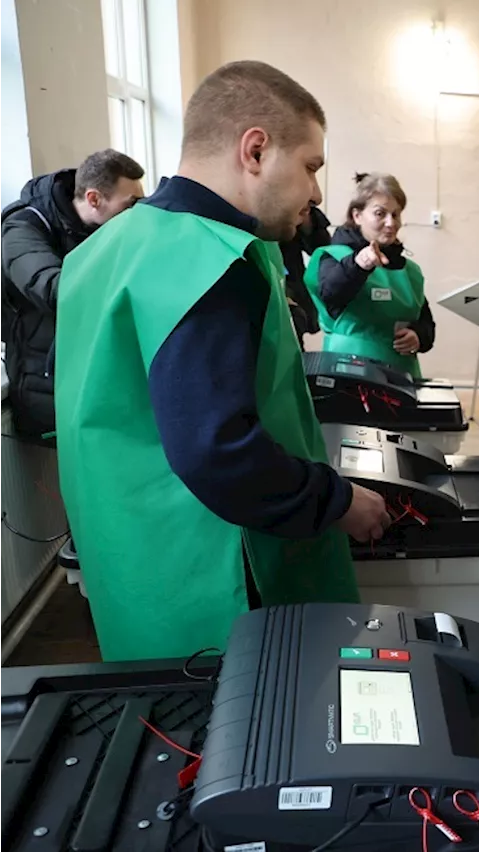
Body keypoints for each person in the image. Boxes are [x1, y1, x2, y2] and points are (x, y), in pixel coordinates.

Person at [54, 61, 392, 663]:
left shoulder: (106, 247)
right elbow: (219, 452)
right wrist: (336, 501)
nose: (317, 193)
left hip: (134, 567)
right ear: (256, 150)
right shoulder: (213, 262)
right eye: (311, 166)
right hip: (216, 584)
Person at [0, 149, 144, 438]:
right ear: (93, 198)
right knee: (55, 483)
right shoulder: (23, 228)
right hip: (45, 392)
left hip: (89, 384)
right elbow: (55, 290)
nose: (136, 215)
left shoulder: (96, 228)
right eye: (131, 205)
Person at [304, 172, 434, 376]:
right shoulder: (333, 257)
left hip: (401, 376)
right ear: (357, 216)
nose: (391, 223)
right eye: (380, 213)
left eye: (396, 214)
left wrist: (419, 336)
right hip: (348, 375)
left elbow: (425, 321)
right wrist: (359, 265)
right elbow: (330, 295)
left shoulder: (410, 271)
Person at [279, 202, 331, 345]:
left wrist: (305, 215)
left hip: (294, 302)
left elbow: (321, 250)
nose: (318, 197)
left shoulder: (301, 210)